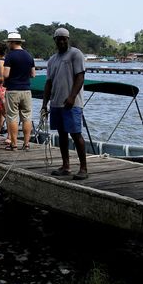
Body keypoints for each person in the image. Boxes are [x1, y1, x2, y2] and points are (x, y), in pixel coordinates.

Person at [41, 27, 88, 180]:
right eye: (58, 38)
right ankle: (65, 166)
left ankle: (83, 168)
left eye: (64, 38)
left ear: (68, 39)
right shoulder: (52, 59)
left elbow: (80, 77)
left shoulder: (76, 54)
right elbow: (48, 83)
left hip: (72, 103)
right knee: (62, 134)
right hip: (56, 103)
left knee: (76, 134)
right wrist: (44, 104)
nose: (61, 41)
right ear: (55, 40)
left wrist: (72, 97)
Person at [2, 32, 36, 150]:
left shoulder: (10, 56)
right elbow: (33, 74)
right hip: (26, 90)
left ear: (11, 42)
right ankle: (26, 144)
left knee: (12, 117)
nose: (7, 45)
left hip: (13, 90)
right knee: (27, 116)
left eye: (8, 42)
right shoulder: (29, 56)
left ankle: (14, 144)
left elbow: (6, 74)